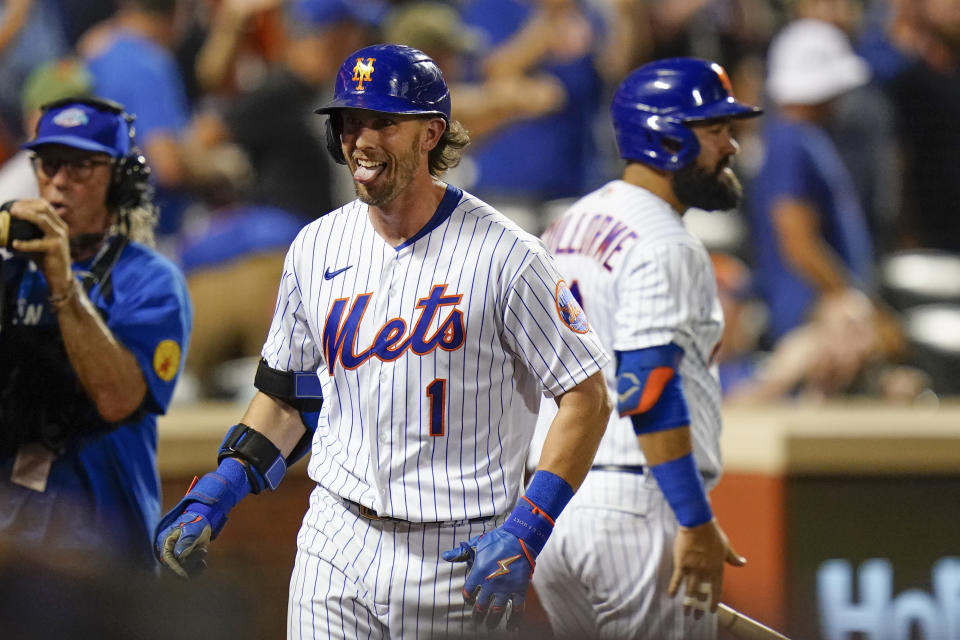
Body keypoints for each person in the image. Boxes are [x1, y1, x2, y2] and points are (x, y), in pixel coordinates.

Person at [154, 44, 612, 638]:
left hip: (457, 554)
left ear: (431, 135)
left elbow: (586, 395)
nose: (361, 140)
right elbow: (288, 395)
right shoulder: (314, 247)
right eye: (350, 121)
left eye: (383, 123)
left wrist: (531, 526)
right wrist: (220, 486)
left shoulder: (509, 256)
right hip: (335, 538)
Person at [532, 58, 758, 639]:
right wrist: (693, 517)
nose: (731, 146)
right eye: (714, 131)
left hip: (555, 506)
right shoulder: (666, 241)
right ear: (666, 137)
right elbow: (648, 389)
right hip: (635, 499)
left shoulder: (565, 225)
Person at [0, 97, 192, 568]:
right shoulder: (11, 275)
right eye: (49, 165)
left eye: (81, 166)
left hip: (104, 550)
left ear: (120, 184)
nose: (59, 181)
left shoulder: (151, 281)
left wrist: (62, 282)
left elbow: (117, 398)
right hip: (15, 546)